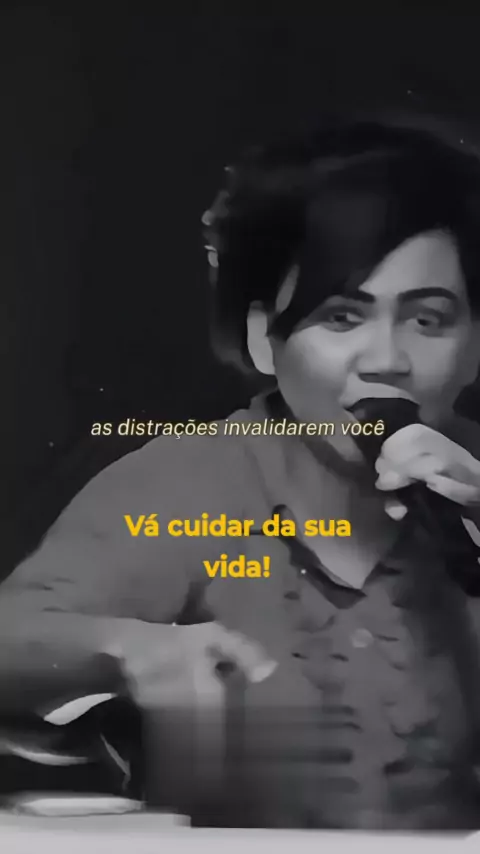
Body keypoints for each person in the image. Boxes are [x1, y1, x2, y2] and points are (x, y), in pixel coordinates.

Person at [2, 114, 480, 831]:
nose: (387, 361)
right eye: (341, 317)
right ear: (263, 338)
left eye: (428, 320)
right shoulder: (182, 484)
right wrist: (122, 647)